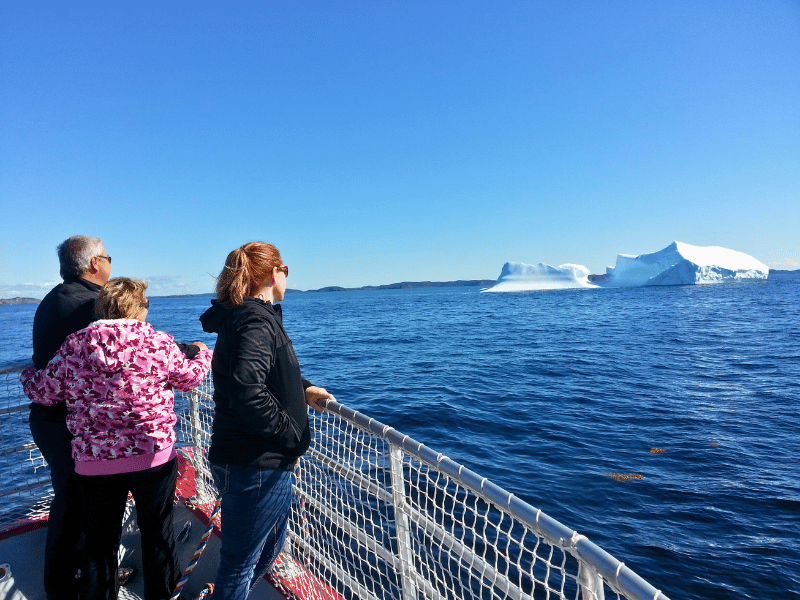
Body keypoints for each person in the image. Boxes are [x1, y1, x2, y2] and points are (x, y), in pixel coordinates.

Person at [29, 235, 202, 598]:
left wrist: (28, 375)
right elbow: (190, 378)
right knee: (157, 534)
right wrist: (204, 354)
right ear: (137, 307)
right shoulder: (156, 342)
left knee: (100, 544)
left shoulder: (75, 344)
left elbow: (44, 390)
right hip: (151, 455)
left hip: (95, 464)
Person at [199, 242, 335, 600]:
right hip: (256, 462)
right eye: (286, 272)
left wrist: (304, 389)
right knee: (239, 566)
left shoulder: (246, 316)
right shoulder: (256, 320)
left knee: (267, 551)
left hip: (256, 461)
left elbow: (266, 375)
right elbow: (247, 388)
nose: (287, 279)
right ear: (276, 273)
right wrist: (290, 435)